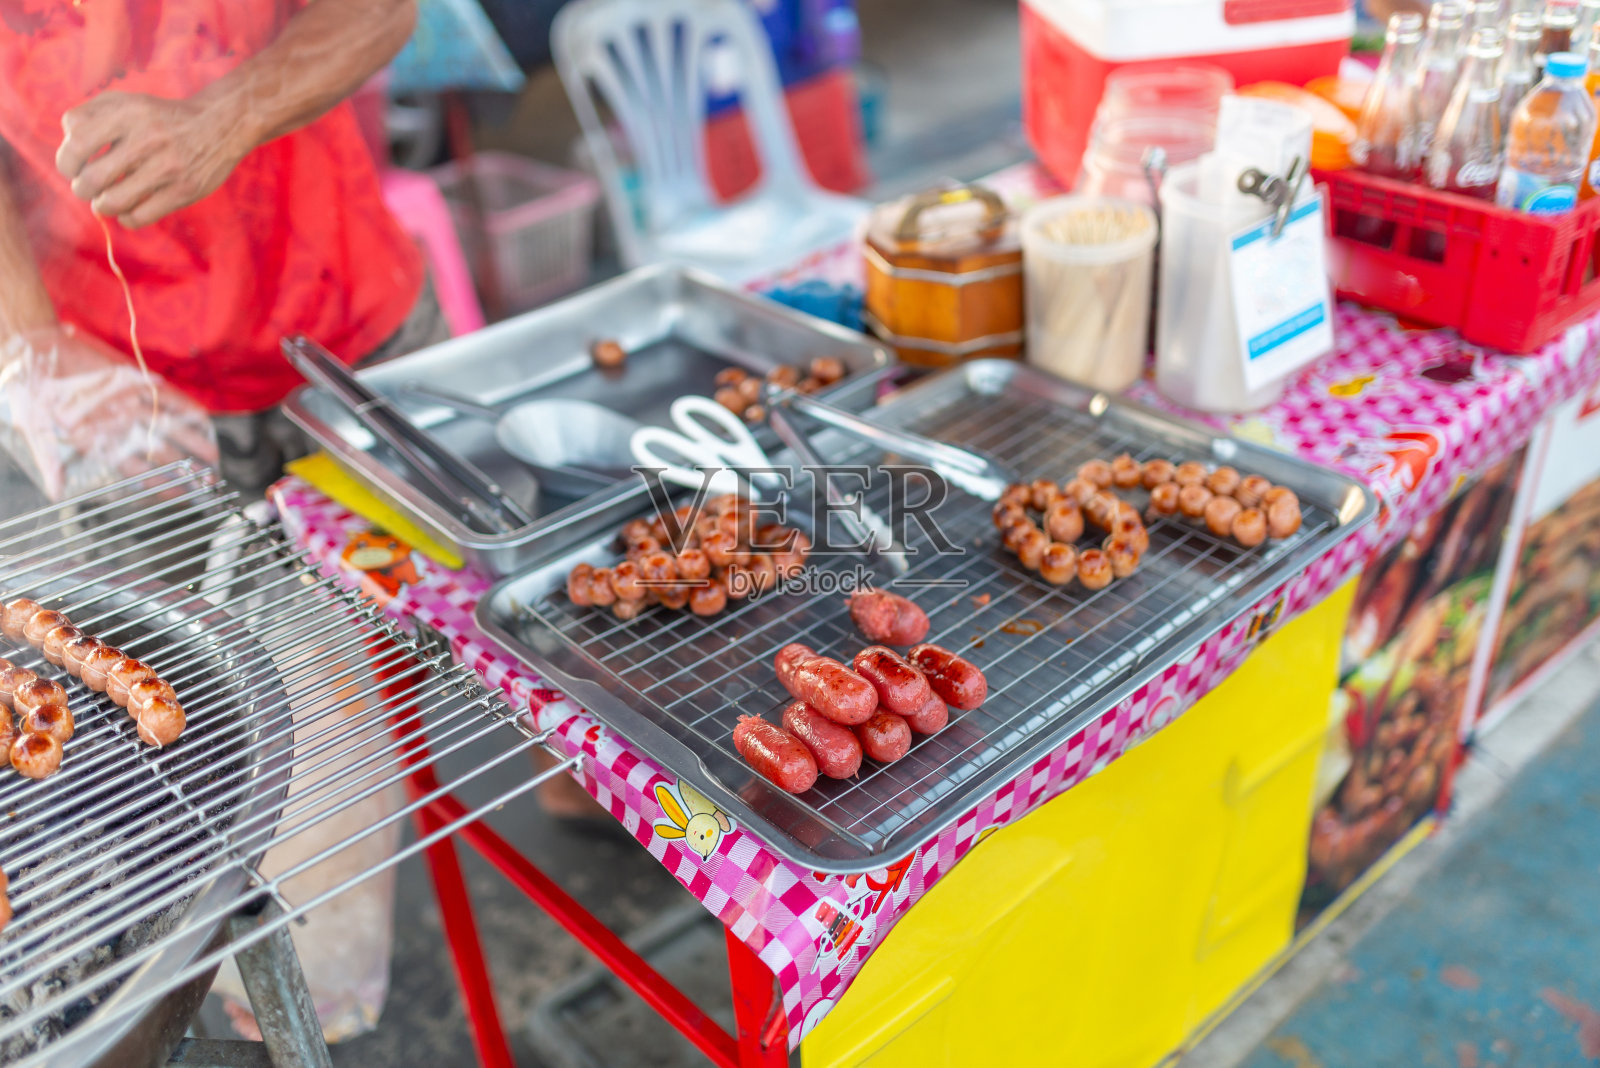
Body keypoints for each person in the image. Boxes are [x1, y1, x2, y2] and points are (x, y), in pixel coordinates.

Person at [0, 0, 448, 502]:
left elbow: (380, 11)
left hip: (348, 319)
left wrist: (227, 116)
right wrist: (30, 338)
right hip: (115, 390)